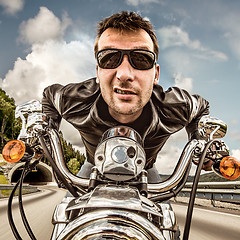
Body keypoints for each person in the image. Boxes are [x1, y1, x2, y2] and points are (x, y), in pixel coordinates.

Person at [42, 11, 211, 183]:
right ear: (98, 73)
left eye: (141, 59)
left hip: (145, 169)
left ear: (156, 75)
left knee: (163, 208)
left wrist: (200, 140)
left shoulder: (176, 106)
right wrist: (46, 134)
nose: (124, 74)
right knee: (70, 207)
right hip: (93, 165)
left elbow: (201, 107)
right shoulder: (75, 100)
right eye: (108, 58)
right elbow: (49, 96)